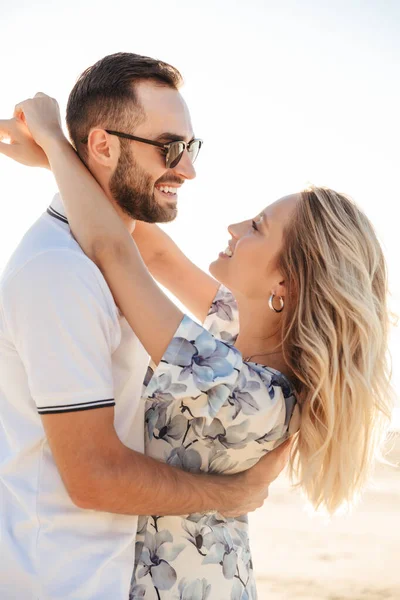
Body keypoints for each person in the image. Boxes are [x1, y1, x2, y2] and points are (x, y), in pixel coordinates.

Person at [4, 92, 393, 600]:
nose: (233, 228)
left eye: (257, 228)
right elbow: (152, 247)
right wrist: (73, 160)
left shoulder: (242, 388)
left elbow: (115, 251)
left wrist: (56, 141)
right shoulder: (241, 332)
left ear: (285, 284)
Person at [0, 55, 291, 600]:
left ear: (286, 287)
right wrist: (62, 154)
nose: (189, 169)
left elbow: (125, 247)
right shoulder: (60, 272)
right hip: (64, 581)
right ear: (105, 147)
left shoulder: (243, 376)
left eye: (190, 148)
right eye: (173, 147)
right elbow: (92, 476)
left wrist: (58, 146)